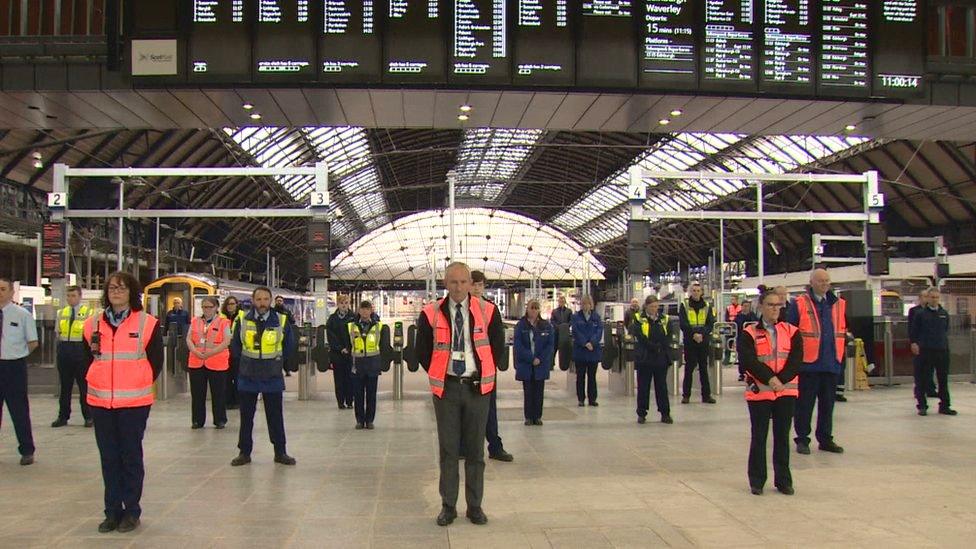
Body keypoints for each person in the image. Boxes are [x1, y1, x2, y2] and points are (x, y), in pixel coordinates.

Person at [416, 262, 505, 526]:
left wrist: (482, 373)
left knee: (476, 451)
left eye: (463, 282)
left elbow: (497, 347)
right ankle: (448, 506)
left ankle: (475, 506)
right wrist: (440, 373)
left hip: (477, 389)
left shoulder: (488, 311)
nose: (458, 287)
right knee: (448, 450)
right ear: (446, 284)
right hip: (447, 389)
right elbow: (422, 350)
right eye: (453, 282)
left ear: (470, 284)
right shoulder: (430, 312)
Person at [83, 272, 163, 533]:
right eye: (112, 287)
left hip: (134, 403)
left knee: (130, 456)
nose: (116, 291)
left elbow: (156, 363)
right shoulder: (92, 323)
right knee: (108, 458)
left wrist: (137, 381)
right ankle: (111, 511)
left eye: (122, 287)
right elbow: (88, 359)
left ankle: (132, 510)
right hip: (101, 401)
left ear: (132, 292)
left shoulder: (147, 323)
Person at [738, 287, 802, 496]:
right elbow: (749, 361)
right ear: (761, 307)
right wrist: (771, 379)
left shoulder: (792, 332)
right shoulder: (749, 333)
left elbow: (795, 361)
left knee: (782, 436)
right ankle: (757, 480)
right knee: (759, 436)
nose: (775, 309)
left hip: (786, 392)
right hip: (760, 392)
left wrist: (781, 380)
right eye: (770, 305)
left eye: (778, 305)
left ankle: (783, 480)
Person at [229, 286, 297, 467]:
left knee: (275, 416)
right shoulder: (242, 319)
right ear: (253, 301)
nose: (262, 303)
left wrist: (278, 362)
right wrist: (243, 363)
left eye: (266, 299)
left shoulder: (281, 320)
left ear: (271, 301)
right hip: (248, 375)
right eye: (258, 299)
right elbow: (235, 344)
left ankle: (280, 452)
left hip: (272, 375)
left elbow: (289, 345)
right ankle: (244, 452)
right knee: (246, 417)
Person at [786, 269, 846, 455]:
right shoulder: (800, 304)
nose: (825, 284)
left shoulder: (838, 304)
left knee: (828, 405)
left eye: (827, 281)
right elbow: (791, 332)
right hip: (808, 364)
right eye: (821, 281)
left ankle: (825, 438)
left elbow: (841, 330)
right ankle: (802, 438)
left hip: (831, 363)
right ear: (811, 282)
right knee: (805, 404)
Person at [471, 270, 513, 462]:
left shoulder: (490, 308)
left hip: (486, 368)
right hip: (464, 368)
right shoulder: (457, 309)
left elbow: (498, 340)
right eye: (474, 284)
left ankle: (495, 446)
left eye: (480, 285)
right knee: (465, 409)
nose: (477, 288)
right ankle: (465, 447)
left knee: (489, 409)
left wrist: (491, 363)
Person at [0, 276, 39, 465]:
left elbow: (33, 342)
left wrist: (17, 354)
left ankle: (27, 450)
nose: (0, 293)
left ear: (11, 292)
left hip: (13, 367)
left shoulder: (22, 315)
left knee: (19, 410)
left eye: (2, 289)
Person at [52, 285, 95, 428]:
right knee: (65, 387)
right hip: (65, 350)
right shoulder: (61, 313)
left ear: (80, 297)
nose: (71, 299)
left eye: (74, 296)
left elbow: (91, 334)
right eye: (69, 296)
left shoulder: (88, 313)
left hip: (81, 351)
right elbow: (58, 333)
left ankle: (88, 416)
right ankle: (63, 416)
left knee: (84, 387)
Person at [186, 296, 232, 429]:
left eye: (209, 307)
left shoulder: (224, 322)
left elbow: (226, 341)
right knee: (197, 393)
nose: (206, 310)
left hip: (217, 362)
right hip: (196, 361)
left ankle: (220, 420)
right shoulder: (195, 321)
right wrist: (194, 351)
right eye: (204, 307)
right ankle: (197, 420)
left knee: (218, 393)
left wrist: (212, 352)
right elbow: (189, 338)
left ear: (216, 308)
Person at [910, 287, 957, 416]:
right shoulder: (920, 314)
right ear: (927, 298)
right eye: (932, 297)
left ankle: (944, 405)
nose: (934, 300)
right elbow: (914, 331)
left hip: (941, 350)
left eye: (936, 297)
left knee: (943, 379)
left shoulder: (944, 314)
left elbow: (945, 329)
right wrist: (914, 343)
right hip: (925, 351)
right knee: (923, 379)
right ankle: (922, 406)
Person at [629, 295, 673, 425]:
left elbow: (669, 335)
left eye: (656, 306)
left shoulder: (665, 319)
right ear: (646, 306)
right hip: (645, 357)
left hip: (661, 358)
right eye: (652, 306)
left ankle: (665, 413)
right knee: (643, 387)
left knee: (661, 387)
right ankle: (642, 413)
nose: (654, 309)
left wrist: (660, 347)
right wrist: (652, 346)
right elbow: (639, 335)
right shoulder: (638, 318)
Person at [347, 300, 390, 430]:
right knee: (358, 395)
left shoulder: (379, 326)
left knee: (371, 395)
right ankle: (360, 420)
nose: (365, 311)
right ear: (359, 311)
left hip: (372, 364)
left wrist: (381, 364)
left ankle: (370, 420)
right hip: (357, 365)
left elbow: (384, 345)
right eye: (362, 309)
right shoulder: (351, 326)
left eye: (367, 309)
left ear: (371, 311)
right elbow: (348, 345)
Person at [513, 299, 554, 426]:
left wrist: (540, 359)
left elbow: (550, 345)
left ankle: (538, 416)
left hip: (540, 364)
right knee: (528, 391)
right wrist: (531, 358)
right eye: (532, 308)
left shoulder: (546, 326)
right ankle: (528, 417)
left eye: (536, 308)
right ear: (527, 309)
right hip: (527, 364)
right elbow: (518, 345)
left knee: (539, 391)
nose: (534, 311)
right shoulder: (521, 325)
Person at [679, 282, 716, 404]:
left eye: (698, 290)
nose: (696, 292)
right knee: (689, 368)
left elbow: (710, 323)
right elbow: (683, 323)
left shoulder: (707, 305)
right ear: (690, 292)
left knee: (703, 368)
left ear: (701, 292)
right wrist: (694, 334)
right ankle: (686, 395)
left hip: (703, 340)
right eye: (693, 290)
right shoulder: (684, 305)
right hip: (690, 340)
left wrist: (702, 334)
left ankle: (706, 395)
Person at [571, 294, 603, 407]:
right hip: (580, 351)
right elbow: (575, 331)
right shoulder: (576, 317)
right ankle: (581, 398)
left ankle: (592, 398)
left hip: (593, 351)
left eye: (588, 304)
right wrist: (584, 343)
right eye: (584, 304)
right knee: (580, 376)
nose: (586, 306)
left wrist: (592, 342)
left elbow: (599, 331)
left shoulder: (596, 317)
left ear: (591, 305)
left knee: (592, 377)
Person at [326, 294, 356, 410]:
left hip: (350, 354)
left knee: (350, 378)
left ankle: (349, 401)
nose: (344, 305)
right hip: (337, 354)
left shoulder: (353, 318)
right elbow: (331, 336)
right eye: (342, 303)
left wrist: (350, 348)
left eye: (346, 303)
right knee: (339, 379)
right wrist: (339, 348)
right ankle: (340, 402)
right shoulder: (332, 319)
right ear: (338, 304)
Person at [908, 292, 938, 398]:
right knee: (919, 370)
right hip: (919, 343)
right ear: (920, 298)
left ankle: (930, 389)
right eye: (925, 296)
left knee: (930, 368)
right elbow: (912, 327)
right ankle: (919, 390)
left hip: (930, 344)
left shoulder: (934, 312)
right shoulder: (914, 311)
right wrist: (913, 342)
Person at [220, 296, 245, 410]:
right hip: (223, 353)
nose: (231, 306)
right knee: (225, 379)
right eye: (229, 304)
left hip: (238, 353)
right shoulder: (220, 318)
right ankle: (227, 401)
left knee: (238, 377)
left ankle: (238, 400)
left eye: (233, 304)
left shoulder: (242, 317)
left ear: (237, 305)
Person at [733, 299, 760, 381]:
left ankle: (750, 373)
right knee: (741, 357)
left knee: (752, 356)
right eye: (744, 306)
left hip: (751, 339)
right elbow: (735, 326)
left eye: (748, 306)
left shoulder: (753, 315)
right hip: (741, 338)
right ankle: (742, 373)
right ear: (742, 306)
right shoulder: (738, 316)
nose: (746, 308)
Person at [274, 296, 296, 376]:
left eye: (280, 301)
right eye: (278, 301)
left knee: (286, 353)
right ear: (275, 301)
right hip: (275, 336)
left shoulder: (287, 311)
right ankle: (278, 370)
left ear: (283, 302)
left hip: (286, 335)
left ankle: (287, 370)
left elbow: (292, 321)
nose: (279, 302)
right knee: (277, 354)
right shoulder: (272, 311)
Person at [550, 295, 573, 371]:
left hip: (565, 333)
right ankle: (551, 364)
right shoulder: (554, 311)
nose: (561, 303)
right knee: (553, 348)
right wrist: (558, 327)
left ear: (565, 302)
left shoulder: (569, 311)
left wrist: (566, 326)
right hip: (556, 332)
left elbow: (571, 320)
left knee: (565, 349)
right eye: (560, 301)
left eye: (563, 301)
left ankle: (565, 364)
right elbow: (552, 321)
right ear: (558, 302)